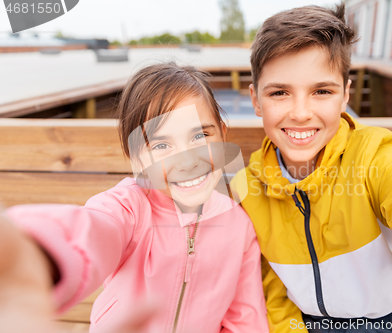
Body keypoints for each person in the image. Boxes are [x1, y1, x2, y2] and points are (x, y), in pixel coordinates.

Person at [231, 3, 392, 332]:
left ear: (345, 94)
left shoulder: (374, 158)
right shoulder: (246, 189)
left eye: (322, 91)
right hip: (311, 325)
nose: (300, 113)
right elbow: (273, 288)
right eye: (280, 92)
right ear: (255, 100)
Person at [0, 63, 269, 333]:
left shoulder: (239, 227)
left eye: (200, 135)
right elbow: (92, 230)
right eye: (161, 145)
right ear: (136, 158)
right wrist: (36, 251)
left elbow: (244, 319)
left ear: (223, 135)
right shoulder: (129, 208)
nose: (187, 161)